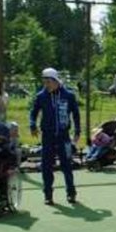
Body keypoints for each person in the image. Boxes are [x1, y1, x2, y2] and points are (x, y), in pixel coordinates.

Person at [30, 67, 81, 205]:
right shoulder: (41, 96)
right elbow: (33, 112)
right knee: (46, 166)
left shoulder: (68, 95)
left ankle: (71, 193)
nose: (46, 85)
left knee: (67, 165)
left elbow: (76, 114)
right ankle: (48, 194)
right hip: (47, 137)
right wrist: (32, 125)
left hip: (64, 136)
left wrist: (77, 131)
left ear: (55, 80)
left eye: (48, 82)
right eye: (44, 82)